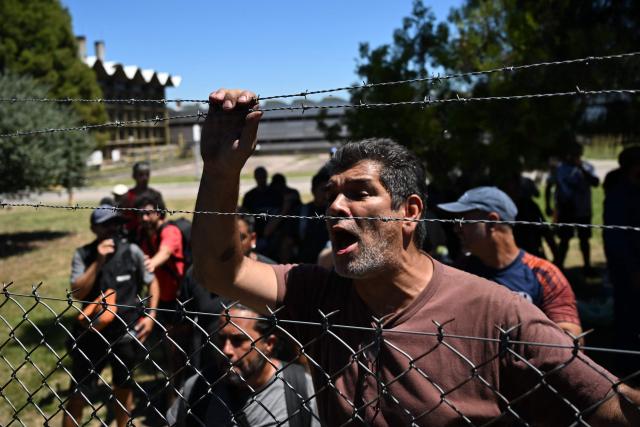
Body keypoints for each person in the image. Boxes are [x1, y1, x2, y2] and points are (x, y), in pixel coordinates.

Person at [191, 89, 640, 426]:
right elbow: (218, 269)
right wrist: (221, 168)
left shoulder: (497, 313)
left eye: (360, 193)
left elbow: (609, 407)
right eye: (330, 195)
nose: (335, 207)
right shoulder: (319, 296)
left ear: (409, 213)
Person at [438, 186, 582, 337]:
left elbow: (569, 338)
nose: (456, 229)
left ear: (492, 222)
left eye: (462, 220)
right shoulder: (461, 270)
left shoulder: (543, 273)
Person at [64, 206, 158, 427]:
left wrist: (151, 315)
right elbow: (78, 293)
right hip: (91, 334)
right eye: (106, 224)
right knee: (79, 391)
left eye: (116, 223)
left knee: (123, 386)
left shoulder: (131, 251)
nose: (112, 229)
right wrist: (98, 261)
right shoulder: (83, 254)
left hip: (124, 333)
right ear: (94, 228)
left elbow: (151, 281)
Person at [166, 304, 319, 426]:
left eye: (238, 340)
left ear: (269, 344)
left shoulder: (302, 390)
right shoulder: (199, 386)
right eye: (221, 339)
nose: (227, 350)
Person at [179, 214, 275, 371]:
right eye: (224, 238)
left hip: (258, 376)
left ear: (253, 239)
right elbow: (182, 331)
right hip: (208, 374)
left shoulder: (271, 276)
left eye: (240, 238)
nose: (232, 245)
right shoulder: (198, 274)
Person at [135, 193, 186, 402]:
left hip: (181, 300)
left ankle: (178, 394)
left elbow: (164, 253)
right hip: (162, 300)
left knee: (179, 351)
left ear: (159, 211)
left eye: (148, 213)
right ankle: (174, 390)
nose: (144, 218)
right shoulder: (146, 235)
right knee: (170, 350)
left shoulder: (170, 231)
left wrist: (147, 265)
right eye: (141, 214)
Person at [603, 145, 640, 379]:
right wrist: (632, 271)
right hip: (628, 270)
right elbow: (616, 240)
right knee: (628, 315)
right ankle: (627, 365)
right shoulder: (619, 196)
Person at [545, 140, 600, 273]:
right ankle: (559, 265)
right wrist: (548, 205)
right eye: (570, 153)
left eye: (576, 153)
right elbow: (549, 186)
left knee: (584, 239)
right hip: (565, 210)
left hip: (583, 209)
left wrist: (581, 168)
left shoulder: (587, 167)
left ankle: (587, 265)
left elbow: (595, 182)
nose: (573, 155)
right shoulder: (559, 169)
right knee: (564, 239)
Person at [241, 166, 282, 253]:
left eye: (263, 176)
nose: (261, 179)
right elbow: (244, 216)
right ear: (255, 177)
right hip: (255, 233)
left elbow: (281, 213)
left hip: (274, 234)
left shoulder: (275, 194)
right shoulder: (249, 196)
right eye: (259, 176)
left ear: (266, 176)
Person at [295, 167, 331, 264]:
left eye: (329, 190)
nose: (327, 194)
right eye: (323, 190)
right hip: (305, 264)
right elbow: (288, 242)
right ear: (313, 191)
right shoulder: (302, 212)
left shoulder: (335, 212)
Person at [122, 161, 163, 237]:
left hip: (152, 235)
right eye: (141, 175)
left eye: (147, 174)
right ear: (134, 176)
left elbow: (162, 215)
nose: (144, 178)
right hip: (132, 235)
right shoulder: (127, 196)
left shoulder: (155, 195)